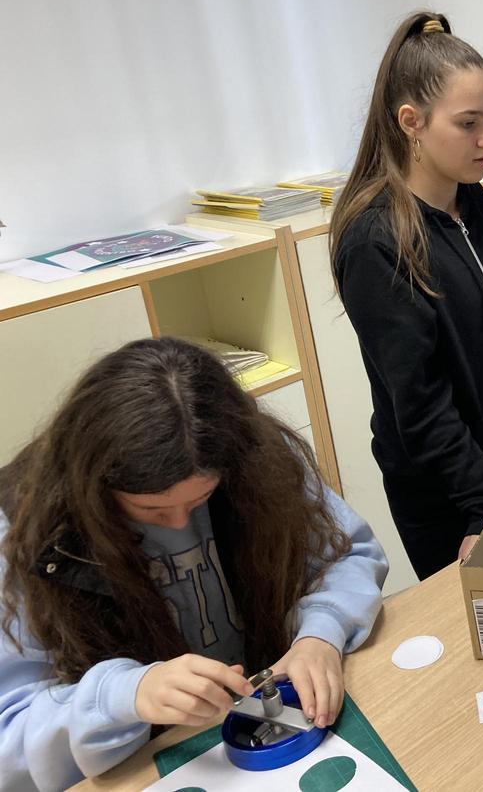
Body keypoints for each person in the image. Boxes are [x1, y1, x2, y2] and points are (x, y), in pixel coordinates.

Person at [0, 337, 388, 791]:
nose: (180, 521)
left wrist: (321, 633)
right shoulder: (22, 535)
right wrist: (125, 696)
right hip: (151, 765)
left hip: (259, 732)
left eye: (201, 499)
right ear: (93, 486)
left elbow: (348, 554)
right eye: (151, 512)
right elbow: (10, 741)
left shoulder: (254, 464)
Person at [330, 11, 483, 580]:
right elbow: (418, 405)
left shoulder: (467, 200)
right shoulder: (376, 239)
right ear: (411, 121)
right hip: (448, 495)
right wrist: (481, 504)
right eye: (469, 123)